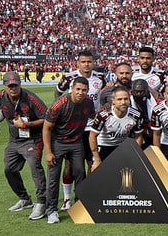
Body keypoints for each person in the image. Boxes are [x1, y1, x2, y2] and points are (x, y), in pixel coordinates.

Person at [0, 71, 48, 220]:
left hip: (33, 138)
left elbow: (46, 118)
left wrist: (26, 124)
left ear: (20, 84)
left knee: (35, 166)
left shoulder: (31, 99)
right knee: (9, 169)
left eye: (15, 85)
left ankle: (42, 203)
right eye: (10, 86)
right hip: (14, 140)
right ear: (4, 86)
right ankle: (24, 199)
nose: (13, 88)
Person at [53, 50, 105, 211]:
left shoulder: (101, 78)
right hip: (74, 127)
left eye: (89, 61)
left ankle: (87, 195)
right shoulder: (69, 78)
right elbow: (58, 92)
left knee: (92, 163)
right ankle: (67, 199)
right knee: (70, 164)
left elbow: (105, 94)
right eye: (83, 62)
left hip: (93, 127)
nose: (86, 64)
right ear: (78, 63)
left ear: (93, 62)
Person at [42, 77, 96, 224]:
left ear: (87, 91)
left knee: (80, 173)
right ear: (71, 89)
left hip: (76, 142)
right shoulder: (59, 105)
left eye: (84, 90)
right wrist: (48, 152)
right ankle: (52, 210)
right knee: (53, 177)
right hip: (58, 142)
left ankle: (79, 206)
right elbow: (46, 128)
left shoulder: (88, 103)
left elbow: (94, 115)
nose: (80, 92)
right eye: (77, 89)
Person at [88, 86, 144, 168]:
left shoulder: (136, 115)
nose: (123, 102)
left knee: (124, 175)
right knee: (98, 174)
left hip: (122, 147)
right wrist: (97, 160)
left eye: (126, 99)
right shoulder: (103, 116)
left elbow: (138, 136)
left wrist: (135, 154)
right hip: (104, 146)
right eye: (119, 99)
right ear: (113, 100)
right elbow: (92, 136)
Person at [130, 78, 158, 147]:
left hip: (151, 136)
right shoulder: (127, 104)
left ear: (147, 92)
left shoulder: (157, 103)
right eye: (136, 92)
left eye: (142, 92)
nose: (139, 94)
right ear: (132, 92)